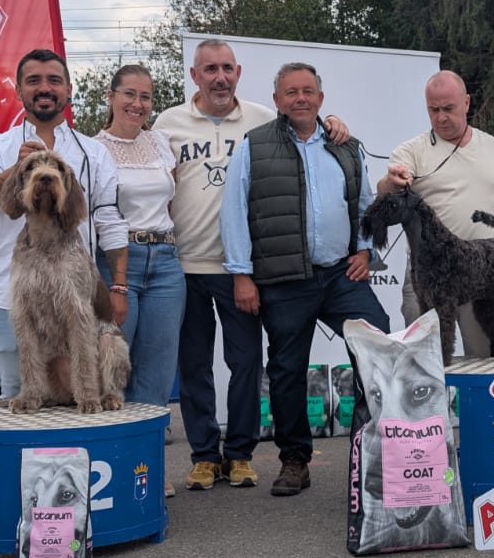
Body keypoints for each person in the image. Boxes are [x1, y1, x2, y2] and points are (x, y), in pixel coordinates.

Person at [157, 39, 350, 492]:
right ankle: (205, 455)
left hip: (240, 269)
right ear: (195, 75)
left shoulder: (264, 117)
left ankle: (240, 453)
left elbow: (312, 130)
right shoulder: (168, 124)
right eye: (210, 69)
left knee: (245, 363)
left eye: (226, 68)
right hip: (185, 263)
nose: (219, 77)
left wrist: (336, 123)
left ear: (238, 72)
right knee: (195, 366)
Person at [220, 61, 389, 496]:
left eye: (308, 91)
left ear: (320, 97)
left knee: (379, 346)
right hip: (283, 280)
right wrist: (241, 274)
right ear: (277, 100)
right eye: (291, 92)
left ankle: (378, 446)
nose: (300, 98)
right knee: (287, 371)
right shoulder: (254, 146)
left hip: (340, 274)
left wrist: (366, 250)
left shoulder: (346, 147)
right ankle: (295, 460)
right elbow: (234, 212)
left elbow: (366, 203)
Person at [0, 48, 129, 400]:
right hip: (9, 292)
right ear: (19, 91)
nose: (45, 88)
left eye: (54, 81)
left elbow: (109, 219)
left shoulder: (92, 151)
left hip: (77, 293)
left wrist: (118, 286)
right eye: (34, 81)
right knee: (18, 393)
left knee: (87, 395)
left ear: (68, 90)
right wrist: (16, 169)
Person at [377, 69, 494, 355]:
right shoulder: (410, 151)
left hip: (486, 268)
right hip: (429, 270)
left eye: (448, 108)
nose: (441, 117)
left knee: (492, 353)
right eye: (433, 109)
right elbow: (385, 192)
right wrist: (391, 182)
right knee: (424, 355)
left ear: (467, 102)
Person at [94, 63, 187, 495]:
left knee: (156, 371)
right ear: (111, 97)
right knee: (113, 368)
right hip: (118, 261)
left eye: (146, 97)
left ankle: (146, 468)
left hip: (166, 260)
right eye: (129, 94)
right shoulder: (94, 150)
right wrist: (114, 278)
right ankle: (109, 465)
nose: (137, 104)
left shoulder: (161, 142)